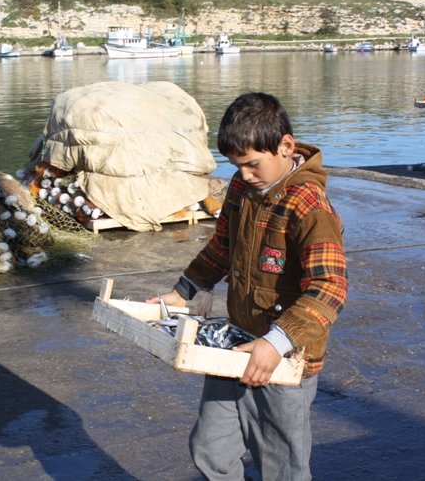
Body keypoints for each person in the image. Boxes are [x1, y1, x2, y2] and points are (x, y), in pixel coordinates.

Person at [148, 92, 348, 481]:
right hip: (234, 347)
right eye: (236, 166)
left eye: (252, 165)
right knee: (211, 449)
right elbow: (221, 247)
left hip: (285, 361)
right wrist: (182, 292)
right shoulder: (242, 190)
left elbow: (330, 288)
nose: (243, 175)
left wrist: (275, 344)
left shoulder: (309, 206)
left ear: (286, 146)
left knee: (280, 468)